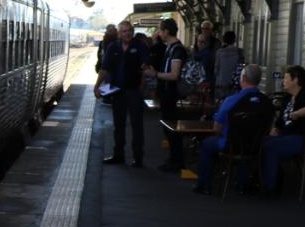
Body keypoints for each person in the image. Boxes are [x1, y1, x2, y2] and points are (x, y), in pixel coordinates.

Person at [193, 63, 269, 194]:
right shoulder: (267, 102)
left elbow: (217, 128)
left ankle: (204, 184)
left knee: (206, 144)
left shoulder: (231, 100)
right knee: (245, 144)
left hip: (230, 144)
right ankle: (242, 183)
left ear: (243, 78)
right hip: (257, 145)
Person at [261, 65, 305, 194]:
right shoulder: (287, 97)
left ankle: (269, 187)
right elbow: (281, 120)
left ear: (295, 80)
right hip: (290, 136)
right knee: (262, 142)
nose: (283, 81)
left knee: (270, 147)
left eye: (286, 78)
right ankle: (268, 180)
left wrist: (299, 113)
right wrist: (276, 128)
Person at [94, 20, 147, 167]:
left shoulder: (140, 46)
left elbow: (145, 66)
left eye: (129, 30)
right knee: (119, 124)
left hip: (134, 90)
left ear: (133, 31)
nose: (127, 33)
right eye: (124, 31)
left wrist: (143, 83)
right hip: (117, 91)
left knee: (137, 124)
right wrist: (97, 86)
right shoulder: (113, 47)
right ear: (119, 33)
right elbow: (104, 68)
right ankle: (118, 155)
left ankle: (138, 157)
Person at [145, 18, 186, 172]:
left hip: (171, 93)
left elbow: (174, 75)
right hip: (166, 92)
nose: (158, 33)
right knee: (168, 127)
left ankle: (177, 161)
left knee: (172, 128)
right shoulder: (170, 48)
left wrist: (155, 74)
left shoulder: (177, 50)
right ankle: (173, 159)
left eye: (161, 30)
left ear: (166, 31)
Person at [213, 31, 244, 101]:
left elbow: (216, 69)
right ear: (234, 40)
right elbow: (240, 69)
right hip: (234, 85)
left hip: (220, 85)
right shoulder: (239, 52)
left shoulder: (219, 52)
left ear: (223, 39)